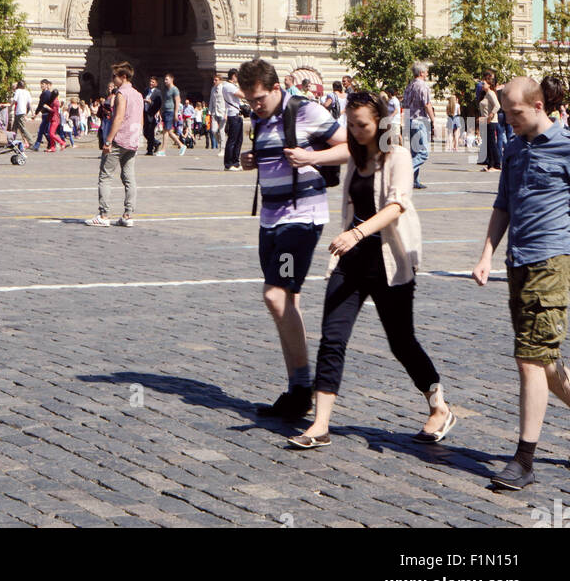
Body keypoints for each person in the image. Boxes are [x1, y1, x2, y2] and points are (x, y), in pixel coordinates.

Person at [290, 91, 455, 449]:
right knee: (333, 338)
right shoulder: (356, 153)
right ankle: (320, 425)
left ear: (379, 123)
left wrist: (357, 232)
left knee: (401, 342)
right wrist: (305, 158)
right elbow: (333, 153)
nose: (355, 130)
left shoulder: (397, 154)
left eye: (362, 124)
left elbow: (397, 204)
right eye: (350, 124)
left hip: (388, 262)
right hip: (350, 263)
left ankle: (438, 405)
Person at [472, 76, 570, 490]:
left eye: (513, 113)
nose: (506, 119)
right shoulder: (513, 148)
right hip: (518, 262)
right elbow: (503, 204)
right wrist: (486, 254)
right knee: (545, 363)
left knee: (529, 359)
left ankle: (524, 460)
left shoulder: (566, 146)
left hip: (552, 261)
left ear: (537, 106)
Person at [238, 58, 348, 422]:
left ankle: (303, 388)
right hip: (270, 217)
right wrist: (250, 160)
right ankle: (296, 388)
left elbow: (352, 145)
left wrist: (311, 156)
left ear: (275, 88)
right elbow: (270, 154)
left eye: (258, 100)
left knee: (274, 295)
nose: (254, 106)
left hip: (301, 217)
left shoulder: (305, 110)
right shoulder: (259, 116)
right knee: (288, 301)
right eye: (249, 101)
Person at [86, 62, 144, 228]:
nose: (112, 79)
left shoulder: (121, 94)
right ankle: (128, 214)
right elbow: (140, 119)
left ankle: (104, 214)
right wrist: (138, 137)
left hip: (119, 139)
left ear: (123, 77)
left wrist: (108, 140)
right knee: (129, 178)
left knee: (105, 176)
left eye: (114, 76)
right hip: (132, 140)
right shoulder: (138, 94)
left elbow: (118, 118)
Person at [401, 61, 434, 190]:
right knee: (423, 153)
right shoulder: (423, 87)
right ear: (421, 73)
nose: (427, 74)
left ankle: (414, 180)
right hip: (420, 120)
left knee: (415, 152)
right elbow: (427, 104)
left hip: (409, 120)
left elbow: (404, 104)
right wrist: (433, 120)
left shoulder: (409, 86)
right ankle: (405, 173)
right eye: (426, 72)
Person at [220, 68, 244, 170]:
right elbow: (242, 95)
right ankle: (228, 164)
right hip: (233, 115)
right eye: (237, 77)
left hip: (237, 115)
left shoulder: (230, 86)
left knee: (239, 140)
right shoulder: (228, 86)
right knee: (232, 140)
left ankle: (235, 162)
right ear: (233, 76)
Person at [478, 74, 502, 171]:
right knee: (488, 143)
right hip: (486, 121)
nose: (482, 85)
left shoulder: (491, 93)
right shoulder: (486, 94)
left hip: (491, 122)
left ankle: (496, 164)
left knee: (492, 143)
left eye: (483, 83)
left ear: (488, 84)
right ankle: (490, 164)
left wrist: (491, 115)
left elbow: (497, 105)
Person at [160, 73, 185, 154]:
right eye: (165, 79)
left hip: (170, 111)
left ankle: (163, 150)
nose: (165, 81)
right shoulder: (166, 89)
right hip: (165, 110)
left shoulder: (175, 89)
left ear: (171, 79)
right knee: (169, 132)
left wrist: (176, 113)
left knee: (165, 131)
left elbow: (178, 101)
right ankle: (181, 145)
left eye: (167, 79)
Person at [143, 76, 163, 156]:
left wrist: (151, 103)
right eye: (150, 82)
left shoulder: (158, 92)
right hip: (145, 113)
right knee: (145, 132)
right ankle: (156, 142)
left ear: (156, 84)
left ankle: (150, 150)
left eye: (153, 82)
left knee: (151, 132)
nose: (151, 83)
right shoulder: (146, 91)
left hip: (152, 114)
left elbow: (159, 104)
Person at [32, 80, 53, 151]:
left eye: (43, 84)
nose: (41, 85)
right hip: (45, 114)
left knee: (41, 130)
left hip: (47, 114)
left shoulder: (46, 94)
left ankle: (36, 146)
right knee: (45, 131)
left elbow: (41, 104)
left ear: (47, 85)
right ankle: (51, 143)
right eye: (41, 84)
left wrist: (35, 114)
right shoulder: (45, 93)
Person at [209, 73, 226, 154]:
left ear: (220, 81)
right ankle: (220, 142)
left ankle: (222, 149)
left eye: (216, 80)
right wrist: (210, 111)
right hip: (214, 112)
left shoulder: (224, 88)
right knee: (213, 130)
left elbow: (227, 101)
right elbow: (211, 100)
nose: (214, 81)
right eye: (214, 80)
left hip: (222, 112)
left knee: (222, 130)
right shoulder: (213, 89)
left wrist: (226, 113)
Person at [11, 79, 33, 144]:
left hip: (19, 111)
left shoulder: (18, 91)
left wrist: (10, 106)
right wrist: (32, 112)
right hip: (23, 111)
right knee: (14, 126)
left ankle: (30, 140)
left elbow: (14, 100)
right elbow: (30, 104)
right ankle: (11, 140)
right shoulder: (27, 92)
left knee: (22, 127)